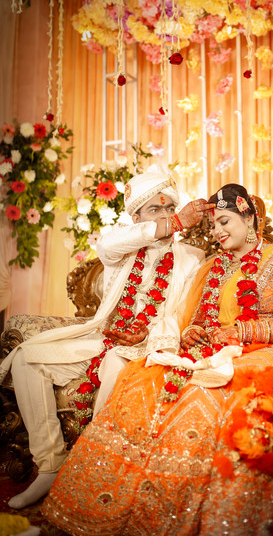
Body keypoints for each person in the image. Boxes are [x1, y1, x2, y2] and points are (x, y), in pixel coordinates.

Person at [42, 183, 273, 536]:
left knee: (223, 400)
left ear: (249, 216)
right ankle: (135, 510)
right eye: (213, 225)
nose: (217, 231)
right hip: (214, 351)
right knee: (147, 381)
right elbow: (196, 319)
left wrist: (245, 330)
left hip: (268, 353)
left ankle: (223, 527)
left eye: (224, 221)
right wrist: (194, 332)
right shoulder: (213, 267)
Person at [1, 165, 211, 509]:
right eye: (154, 209)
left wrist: (147, 333)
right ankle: (50, 466)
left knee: (114, 363)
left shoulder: (192, 258)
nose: (165, 215)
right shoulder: (121, 249)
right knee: (26, 359)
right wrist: (174, 222)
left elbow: (181, 315)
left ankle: (93, 470)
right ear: (136, 218)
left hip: (150, 345)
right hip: (104, 338)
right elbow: (108, 242)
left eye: (170, 208)